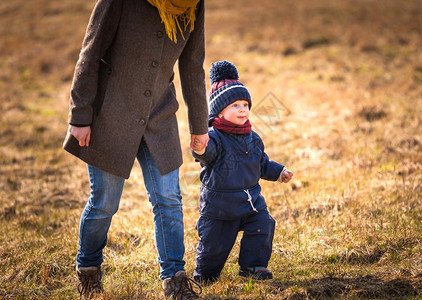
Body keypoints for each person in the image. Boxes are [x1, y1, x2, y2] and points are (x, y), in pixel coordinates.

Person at [63, 0, 208, 298]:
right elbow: (90, 54)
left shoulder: (193, 3)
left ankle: (175, 279)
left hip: (159, 117)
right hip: (112, 114)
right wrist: (80, 115)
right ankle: (88, 270)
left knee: (169, 199)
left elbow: (192, 65)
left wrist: (199, 125)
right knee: (105, 202)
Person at [191, 61, 294, 284]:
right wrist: (199, 146)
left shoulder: (253, 137)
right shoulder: (215, 137)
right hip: (219, 208)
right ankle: (205, 275)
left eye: (245, 105)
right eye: (235, 105)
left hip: (250, 203)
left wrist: (279, 172)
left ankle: (253, 266)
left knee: (263, 224)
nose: (242, 110)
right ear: (220, 110)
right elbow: (206, 154)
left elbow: (262, 163)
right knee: (213, 247)